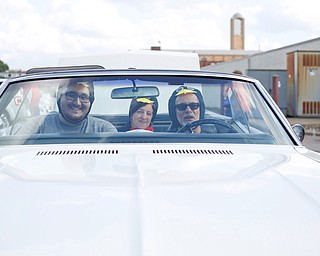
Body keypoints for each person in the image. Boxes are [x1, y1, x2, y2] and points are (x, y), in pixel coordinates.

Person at [13, 79, 117, 134]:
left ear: (91, 101)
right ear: (59, 98)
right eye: (71, 95)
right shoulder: (38, 125)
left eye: (84, 97)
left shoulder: (105, 129)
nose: (77, 103)